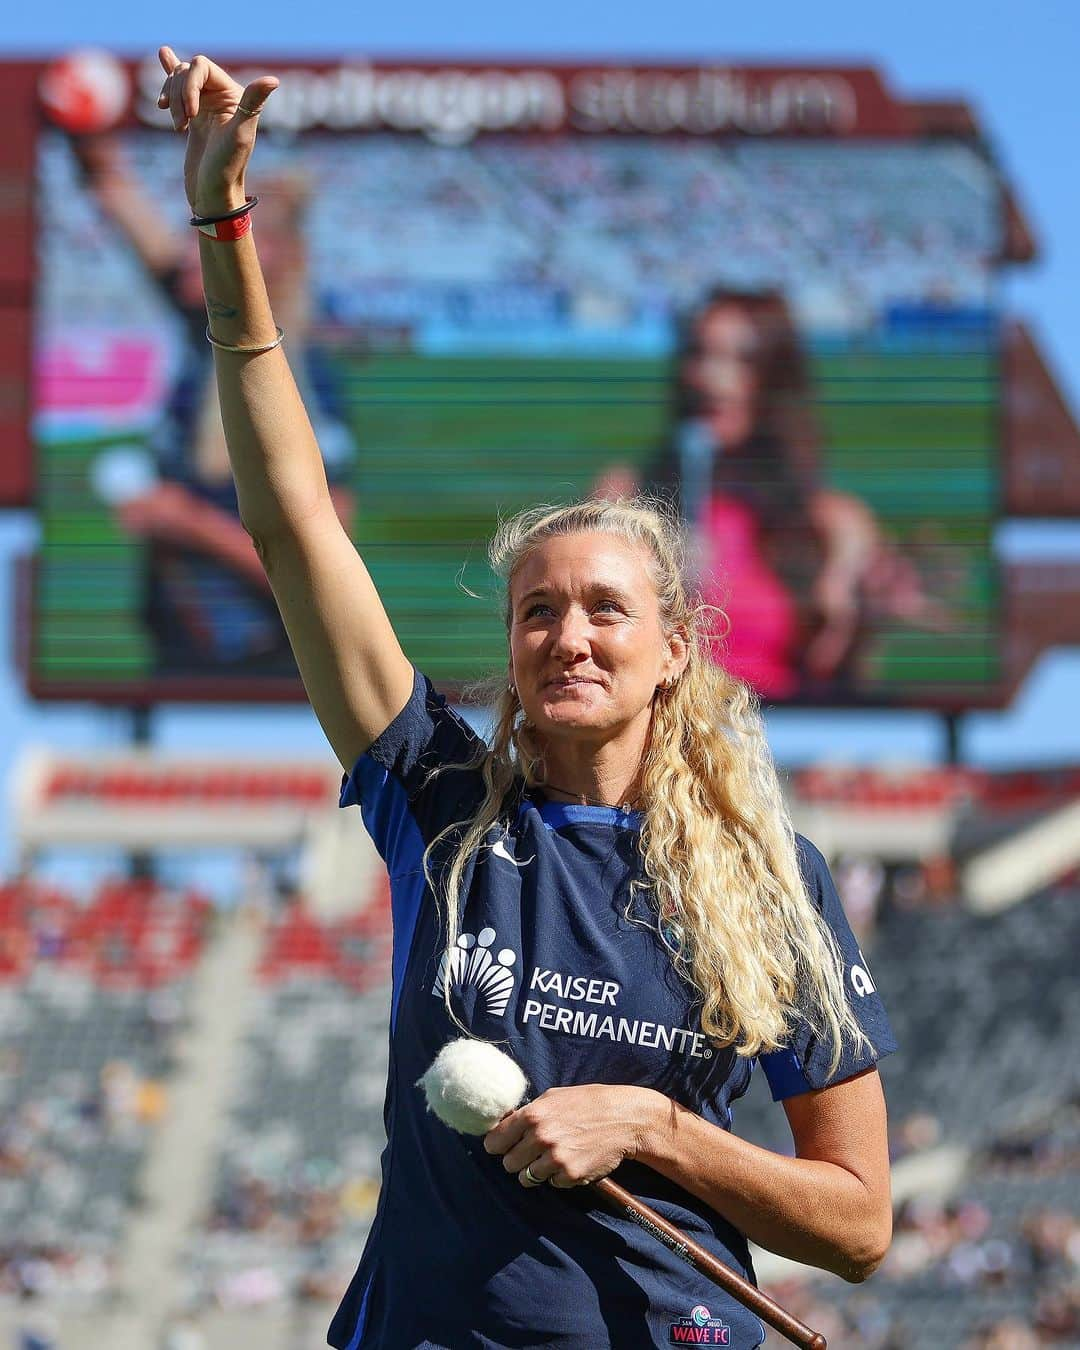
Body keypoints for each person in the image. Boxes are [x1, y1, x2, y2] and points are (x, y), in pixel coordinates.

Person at [156, 48, 897, 1349]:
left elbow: (857, 1221)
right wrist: (224, 229)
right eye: (537, 610)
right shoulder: (440, 803)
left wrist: (650, 1123)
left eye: (606, 607)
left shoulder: (772, 876)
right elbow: (290, 524)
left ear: (676, 645)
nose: (568, 635)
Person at [69, 131, 356, 678]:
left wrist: (187, 524)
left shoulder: (305, 382)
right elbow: (119, 198)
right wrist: (94, 148)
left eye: (209, 243)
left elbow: (327, 571)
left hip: (263, 672)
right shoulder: (203, 334)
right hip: (174, 658)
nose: (185, 256)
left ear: (269, 262)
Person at [602, 288, 947, 699]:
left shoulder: (834, 524)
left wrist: (863, 624)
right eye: (700, 354)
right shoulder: (625, 501)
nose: (711, 379)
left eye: (741, 360)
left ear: (774, 380)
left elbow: (838, 684)